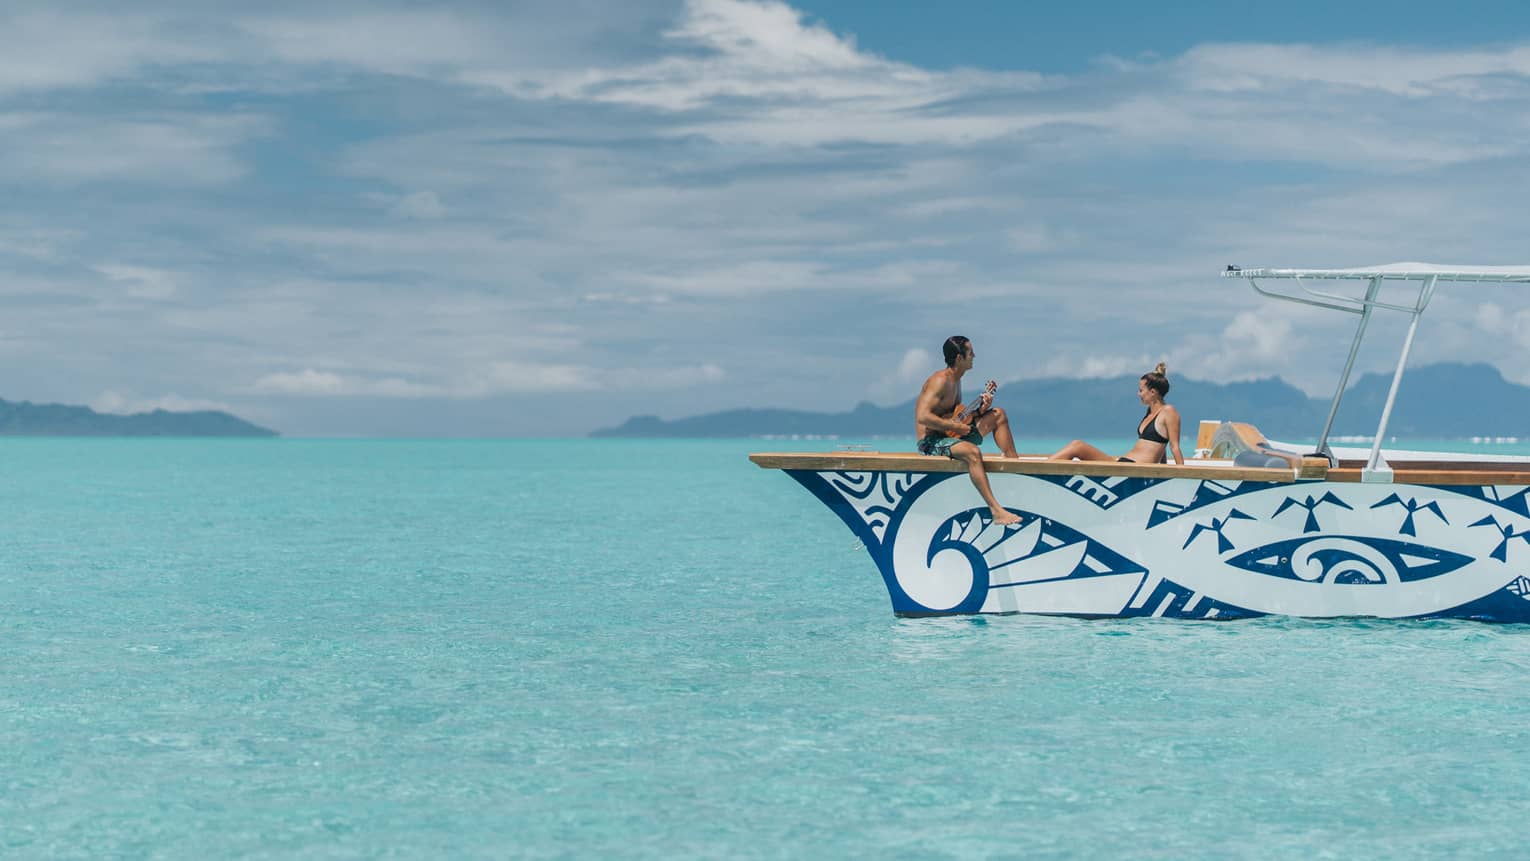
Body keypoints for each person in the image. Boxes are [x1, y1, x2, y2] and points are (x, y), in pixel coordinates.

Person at [914, 336, 1022, 526]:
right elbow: (923, 416)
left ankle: (1016, 473)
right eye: (970, 352)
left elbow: (955, 414)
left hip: (950, 435)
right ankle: (996, 511)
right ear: (959, 358)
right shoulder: (939, 381)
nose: (974, 356)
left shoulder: (957, 380)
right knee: (973, 453)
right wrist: (954, 427)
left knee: (998, 414)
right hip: (931, 442)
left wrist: (980, 410)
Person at [1049, 362, 1185, 465]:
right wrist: (1162, 471)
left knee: (1077, 446)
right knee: (1077, 446)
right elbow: (1161, 448)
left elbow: (1174, 447)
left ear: (1153, 392)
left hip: (1134, 469)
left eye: (1141, 390)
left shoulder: (1169, 411)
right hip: (1125, 464)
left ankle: (1037, 469)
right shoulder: (1150, 412)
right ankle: (1042, 469)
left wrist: (1182, 478)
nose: (1138, 394)